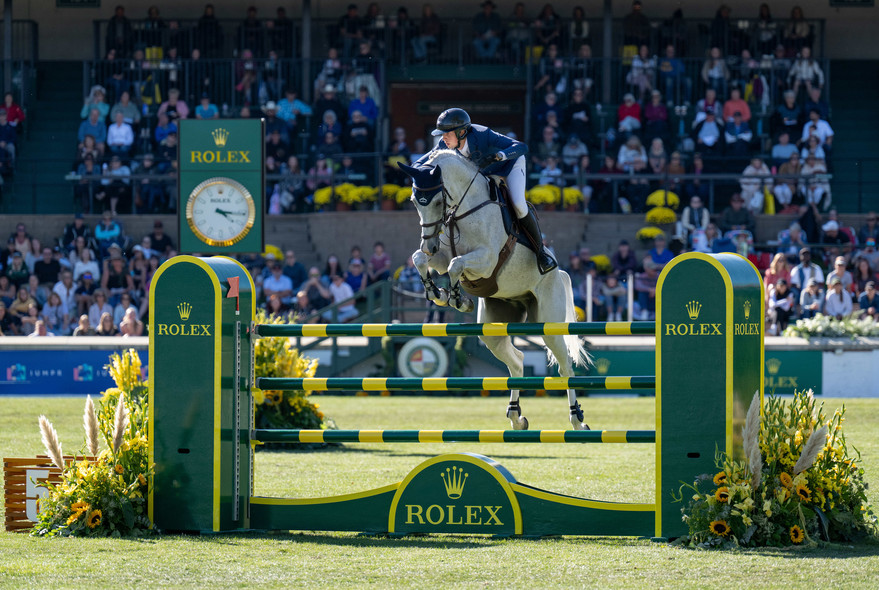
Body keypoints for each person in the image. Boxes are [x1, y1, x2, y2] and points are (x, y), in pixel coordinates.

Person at [415, 107, 556, 274]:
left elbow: (520, 147)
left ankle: (541, 253)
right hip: (483, 175)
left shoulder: (481, 134)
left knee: (518, 204)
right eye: (442, 133)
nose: (443, 137)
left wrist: (500, 156)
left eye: (447, 133)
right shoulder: (443, 145)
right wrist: (416, 173)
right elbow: (419, 163)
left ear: (461, 133)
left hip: (509, 166)